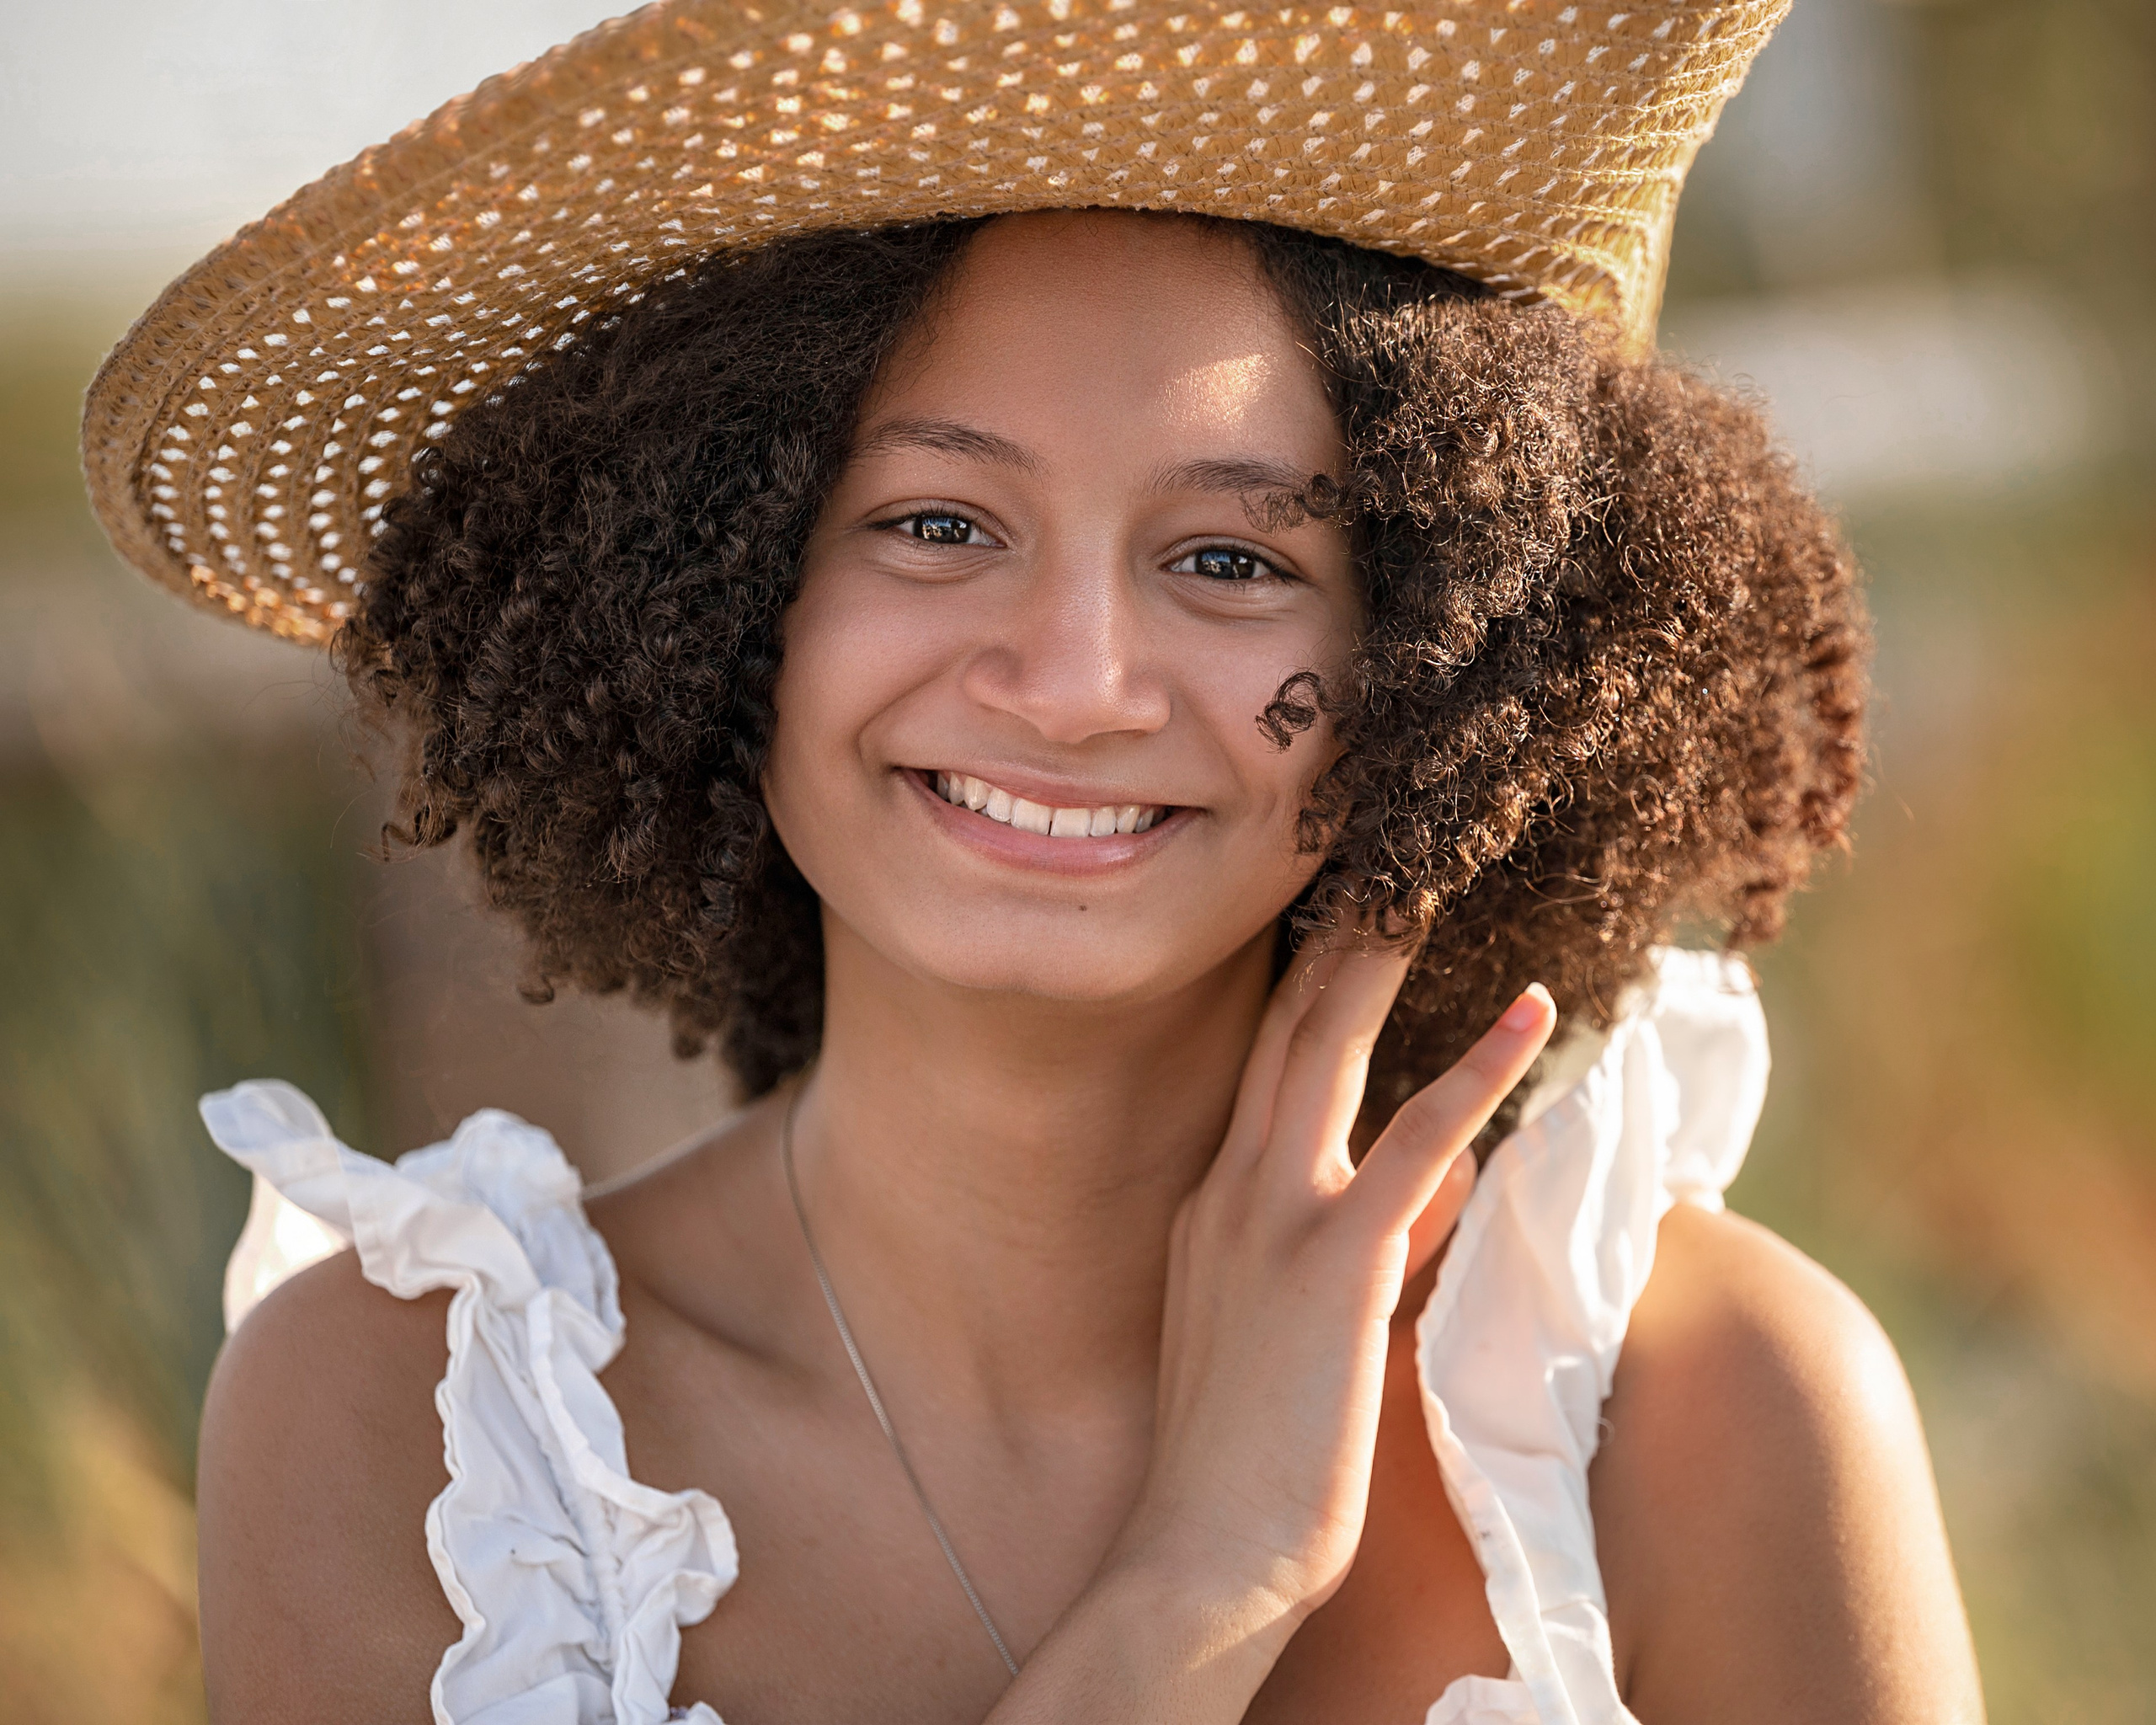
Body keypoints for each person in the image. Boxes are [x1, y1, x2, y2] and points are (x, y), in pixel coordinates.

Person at [84, 4, 1985, 1722]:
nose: (1074, 686)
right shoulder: (412, 1428)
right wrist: (1208, 1574)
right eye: (936, 523)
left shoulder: (1702, 1416)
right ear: (708, 591)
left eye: (1231, 560)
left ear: (1438, 658)